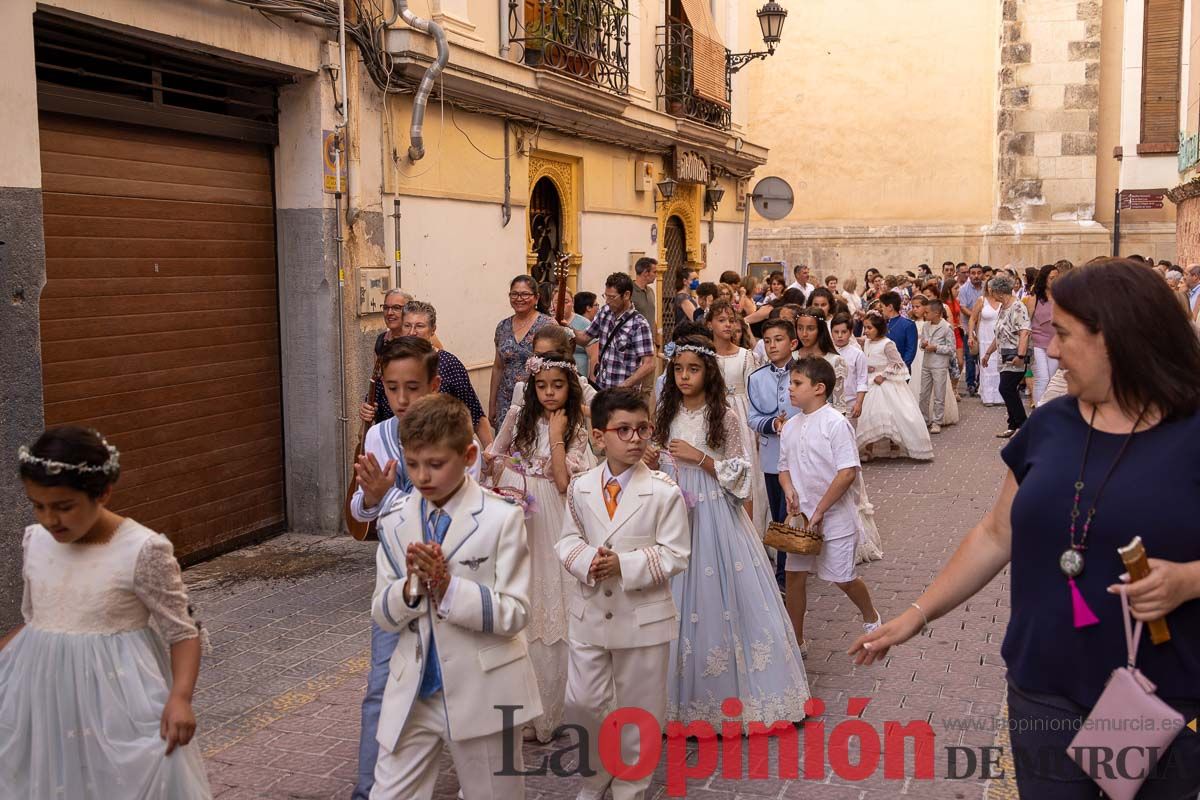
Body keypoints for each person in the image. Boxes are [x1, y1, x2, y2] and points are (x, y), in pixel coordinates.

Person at [852, 259, 1200, 800]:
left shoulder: (1192, 432)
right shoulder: (1050, 423)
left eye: (1062, 333)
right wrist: (916, 616)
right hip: (1045, 686)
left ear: (1121, 338)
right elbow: (996, 534)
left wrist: (1189, 580)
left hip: (1158, 690)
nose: (1052, 349)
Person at [2, 427, 212, 799]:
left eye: (64, 506)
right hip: (43, 700)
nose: (51, 519)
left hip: (118, 705)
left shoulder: (142, 549)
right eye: (39, 505)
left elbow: (184, 632)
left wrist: (180, 697)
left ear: (102, 493)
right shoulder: (35, 541)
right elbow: (38, 620)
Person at [369, 394, 541, 799]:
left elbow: (515, 613)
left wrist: (449, 589)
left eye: (435, 464)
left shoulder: (501, 518)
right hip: (413, 692)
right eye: (413, 465)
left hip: (486, 686)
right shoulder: (395, 522)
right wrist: (409, 588)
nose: (423, 477)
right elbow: (382, 613)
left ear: (467, 456)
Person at [648, 336, 809, 725]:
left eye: (693, 369)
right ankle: (669, 701)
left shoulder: (724, 417)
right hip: (671, 513)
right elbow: (653, 463)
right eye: (679, 369)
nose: (684, 376)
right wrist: (653, 459)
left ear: (709, 374)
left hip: (714, 515)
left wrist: (701, 459)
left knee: (718, 598)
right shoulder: (664, 413)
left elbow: (741, 475)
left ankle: (733, 699)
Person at [349, 336, 483, 800]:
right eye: (391, 389)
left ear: (434, 384)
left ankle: (477, 782)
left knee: (458, 683)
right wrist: (370, 498)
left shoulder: (459, 437)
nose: (401, 401)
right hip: (397, 586)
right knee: (382, 684)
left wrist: (393, 499)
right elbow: (361, 515)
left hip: (452, 584)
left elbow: (467, 511)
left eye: (412, 388)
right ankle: (369, 788)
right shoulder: (378, 436)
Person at [556, 388, 691, 800]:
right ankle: (595, 775)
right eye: (623, 430)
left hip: (642, 617)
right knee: (583, 702)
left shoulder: (664, 491)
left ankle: (631, 785)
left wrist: (625, 565)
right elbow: (567, 540)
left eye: (642, 429)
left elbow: (676, 553)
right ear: (599, 437)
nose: (635, 439)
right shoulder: (580, 488)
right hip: (590, 613)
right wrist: (585, 562)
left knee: (639, 707)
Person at [486, 355, 590, 744]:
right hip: (518, 510)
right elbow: (493, 456)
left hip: (552, 512)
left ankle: (554, 707)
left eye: (557, 385)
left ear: (570, 387)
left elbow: (564, 482)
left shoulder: (576, 424)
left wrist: (559, 435)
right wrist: (508, 478)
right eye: (542, 385)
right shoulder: (518, 417)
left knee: (554, 601)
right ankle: (519, 706)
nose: (549, 393)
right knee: (522, 596)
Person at [780, 357, 883, 657]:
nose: (791, 389)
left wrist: (821, 510)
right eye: (791, 383)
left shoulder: (836, 424)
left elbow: (847, 472)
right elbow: (784, 467)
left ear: (819, 388)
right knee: (795, 577)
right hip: (801, 522)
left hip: (834, 517)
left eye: (798, 383)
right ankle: (796, 642)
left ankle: (871, 616)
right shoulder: (790, 426)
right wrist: (788, 491)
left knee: (843, 578)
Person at [375, 299, 495, 447]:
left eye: (419, 326)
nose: (412, 332)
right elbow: (376, 406)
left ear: (432, 330)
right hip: (396, 449)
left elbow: (475, 414)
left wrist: (490, 451)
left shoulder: (449, 364)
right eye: (407, 326)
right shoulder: (390, 361)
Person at [747, 318, 803, 589]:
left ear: (792, 343)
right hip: (772, 458)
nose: (772, 345)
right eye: (767, 341)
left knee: (795, 510)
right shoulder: (756, 378)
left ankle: (792, 570)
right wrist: (772, 424)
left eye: (778, 339)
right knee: (780, 514)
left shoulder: (806, 373)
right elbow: (752, 417)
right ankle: (785, 574)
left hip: (802, 457)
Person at [706, 301, 769, 533]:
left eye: (731, 320)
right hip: (713, 413)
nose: (727, 325)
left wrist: (756, 428)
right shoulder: (706, 355)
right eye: (721, 320)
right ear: (709, 324)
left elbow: (755, 394)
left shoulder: (745, 356)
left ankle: (749, 530)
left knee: (745, 467)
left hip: (741, 415)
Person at [856, 313, 933, 461]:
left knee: (892, 413)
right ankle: (868, 448)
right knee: (869, 415)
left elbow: (898, 363)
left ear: (879, 328)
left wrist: (883, 375)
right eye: (865, 327)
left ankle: (894, 445)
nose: (866, 331)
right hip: (869, 382)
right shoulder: (865, 342)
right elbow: (854, 344)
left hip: (885, 382)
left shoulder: (887, 343)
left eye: (869, 327)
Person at [573, 272, 656, 392]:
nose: (607, 301)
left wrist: (624, 385)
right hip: (602, 388)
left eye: (612, 297)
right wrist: (568, 327)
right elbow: (584, 338)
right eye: (605, 296)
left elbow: (649, 364)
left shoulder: (639, 324)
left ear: (626, 295)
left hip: (624, 395)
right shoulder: (605, 312)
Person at [490, 275, 556, 425]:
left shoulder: (548, 325)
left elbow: (558, 364)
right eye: (514, 294)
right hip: (506, 401)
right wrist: (492, 404)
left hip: (536, 399)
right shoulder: (502, 327)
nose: (519, 298)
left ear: (536, 297)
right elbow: (498, 367)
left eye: (525, 294)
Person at [982, 275, 1032, 439]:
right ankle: (1013, 425)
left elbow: (1024, 332)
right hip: (1003, 356)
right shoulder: (1003, 307)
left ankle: (1024, 426)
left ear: (998, 291)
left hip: (1015, 356)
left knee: (1006, 388)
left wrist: (1021, 355)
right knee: (1008, 389)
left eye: (991, 291)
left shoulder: (1017, 307)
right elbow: (1000, 334)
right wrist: (988, 353)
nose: (990, 294)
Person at [794, 308, 847, 414]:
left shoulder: (834, 361)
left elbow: (839, 404)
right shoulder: (791, 357)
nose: (804, 334)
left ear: (820, 330)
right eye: (800, 328)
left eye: (810, 328)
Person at [916, 300, 957, 434]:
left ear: (937, 313)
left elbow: (951, 349)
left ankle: (937, 421)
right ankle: (923, 419)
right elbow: (922, 341)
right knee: (923, 394)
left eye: (927, 312)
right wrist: (923, 345)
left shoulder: (946, 327)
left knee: (939, 394)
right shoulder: (926, 326)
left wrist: (936, 348)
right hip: (926, 363)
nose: (925, 314)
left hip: (939, 365)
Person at [1023, 264, 1059, 406]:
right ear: (1044, 279)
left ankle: (1048, 407)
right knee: (1042, 378)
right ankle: (1039, 407)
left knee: (1051, 378)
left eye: (1057, 278)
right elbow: (1026, 323)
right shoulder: (1035, 298)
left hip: (1056, 342)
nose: (1054, 281)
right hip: (1038, 343)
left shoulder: (1061, 296)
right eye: (1051, 278)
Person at [969, 279, 1003, 406]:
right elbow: (972, 318)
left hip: (1000, 336)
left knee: (999, 365)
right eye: (989, 287)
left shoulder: (1003, 301)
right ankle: (988, 397)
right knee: (987, 365)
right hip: (985, 336)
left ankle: (999, 396)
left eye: (993, 286)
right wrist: (971, 336)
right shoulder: (982, 300)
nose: (991, 289)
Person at [830, 313, 867, 419]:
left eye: (844, 332)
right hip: (828, 402)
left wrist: (858, 403)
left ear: (850, 332)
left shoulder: (857, 354)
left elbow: (862, 380)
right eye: (836, 332)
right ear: (831, 332)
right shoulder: (827, 352)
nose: (840, 335)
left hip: (850, 403)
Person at [958, 264, 986, 396]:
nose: (976, 276)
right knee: (970, 356)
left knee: (983, 355)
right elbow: (963, 307)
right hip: (968, 326)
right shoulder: (964, 289)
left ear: (982, 274)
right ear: (969, 274)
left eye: (979, 273)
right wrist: (976, 316)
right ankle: (970, 384)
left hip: (985, 327)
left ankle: (981, 382)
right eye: (973, 273)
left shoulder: (987, 287)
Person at [877, 292, 917, 372]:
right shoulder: (882, 324)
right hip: (882, 369)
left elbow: (910, 350)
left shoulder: (908, 325)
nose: (880, 309)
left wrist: (901, 367)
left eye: (882, 306)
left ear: (890, 307)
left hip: (900, 371)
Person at [571, 291, 601, 378]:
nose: (598, 309)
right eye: (596, 305)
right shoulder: (586, 324)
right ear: (588, 307)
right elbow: (594, 358)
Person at [630, 257, 660, 345]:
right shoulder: (630, 292)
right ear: (646, 273)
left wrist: (656, 335)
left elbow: (651, 314)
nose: (656, 275)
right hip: (635, 341)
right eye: (654, 272)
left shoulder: (650, 291)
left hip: (650, 341)